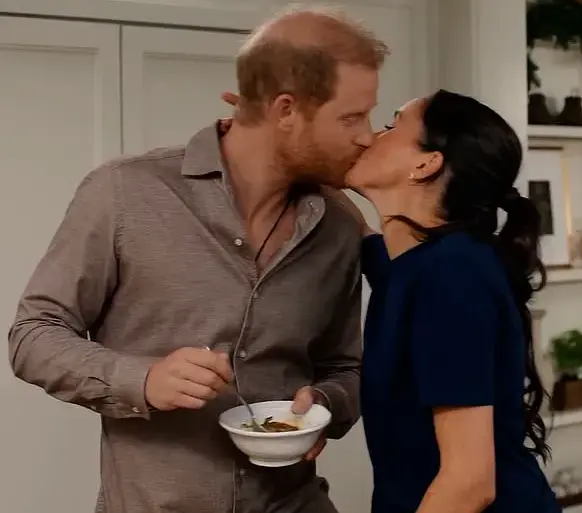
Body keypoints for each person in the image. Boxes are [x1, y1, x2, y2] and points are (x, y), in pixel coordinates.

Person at [7, 7, 388, 513]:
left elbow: (345, 367)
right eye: (351, 117)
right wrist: (141, 379)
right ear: (286, 110)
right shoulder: (123, 193)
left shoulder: (338, 227)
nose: (367, 136)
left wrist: (325, 406)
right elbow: (33, 335)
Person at [338, 91, 562, 513]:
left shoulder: (451, 275)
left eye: (391, 126)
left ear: (426, 164)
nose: (369, 137)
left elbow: (469, 483)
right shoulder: (419, 266)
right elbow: (369, 241)